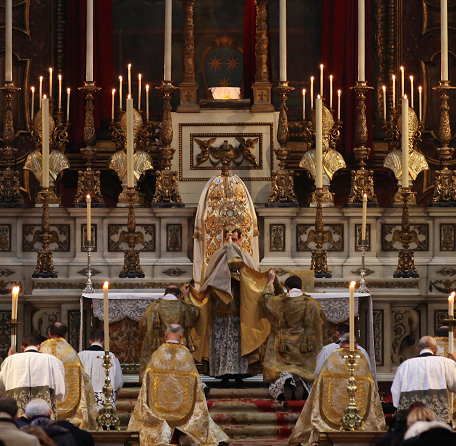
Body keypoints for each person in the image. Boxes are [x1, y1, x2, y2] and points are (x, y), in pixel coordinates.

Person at [128, 324, 230, 446]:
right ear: (181, 335)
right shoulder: (186, 356)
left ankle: (161, 433)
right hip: (183, 412)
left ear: (166, 334)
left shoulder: (156, 355)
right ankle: (184, 432)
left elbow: (147, 383)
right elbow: (196, 385)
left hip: (159, 409)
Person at [189, 237, 270, 388]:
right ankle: (222, 374)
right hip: (220, 319)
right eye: (228, 238)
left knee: (238, 345)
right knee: (222, 345)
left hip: (239, 319)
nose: (232, 242)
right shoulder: (217, 269)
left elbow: (254, 290)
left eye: (235, 238)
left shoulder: (244, 271)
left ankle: (240, 374)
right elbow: (207, 290)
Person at [289, 337, 385, 445]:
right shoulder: (361, 358)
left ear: (340, 344)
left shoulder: (332, 358)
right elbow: (370, 382)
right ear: (356, 345)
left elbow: (318, 376)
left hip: (331, 414)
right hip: (359, 412)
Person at [261, 271, 326, 401]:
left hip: (283, 351)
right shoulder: (312, 303)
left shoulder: (280, 302)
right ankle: (301, 383)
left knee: (279, 375)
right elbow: (321, 322)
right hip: (305, 354)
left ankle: (286, 382)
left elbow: (265, 300)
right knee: (307, 377)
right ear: (301, 287)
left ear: (288, 288)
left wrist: (270, 281)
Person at [40, 322, 98, 430]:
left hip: (44, 402)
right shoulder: (71, 352)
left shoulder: (41, 351)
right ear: (65, 335)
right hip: (68, 407)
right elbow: (83, 378)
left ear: (49, 334)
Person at [139, 284, 199, 383]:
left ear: (164, 294)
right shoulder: (184, 307)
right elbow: (196, 313)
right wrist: (187, 298)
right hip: (179, 346)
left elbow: (144, 324)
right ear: (179, 295)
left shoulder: (154, 306)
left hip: (159, 347)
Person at [391, 335, 456, 423]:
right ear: (436, 350)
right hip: (437, 421)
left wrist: (399, 410)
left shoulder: (405, 365)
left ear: (418, 349)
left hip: (411, 419)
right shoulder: (446, 363)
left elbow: (395, 391)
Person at [0, 334, 65, 419]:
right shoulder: (51, 359)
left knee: (21, 425)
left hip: (18, 398)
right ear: (39, 347)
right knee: (43, 425)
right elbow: (59, 384)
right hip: (43, 401)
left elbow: (2, 384)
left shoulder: (10, 360)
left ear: (22, 348)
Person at [78, 329, 123, 411]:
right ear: (104, 342)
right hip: (106, 397)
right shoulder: (111, 357)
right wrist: (113, 394)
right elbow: (118, 380)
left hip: (85, 397)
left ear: (90, 341)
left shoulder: (80, 356)